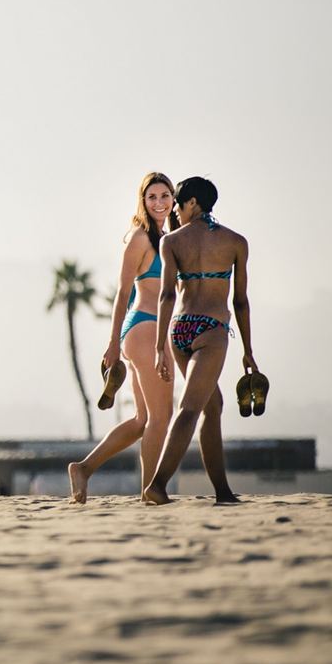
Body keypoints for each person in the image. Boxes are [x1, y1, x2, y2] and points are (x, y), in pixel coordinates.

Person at [68, 172, 179, 504]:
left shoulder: (171, 236)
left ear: (173, 199)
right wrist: (113, 342)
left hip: (153, 331)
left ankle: (83, 469)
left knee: (143, 419)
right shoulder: (140, 239)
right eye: (152, 197)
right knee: (162, 417)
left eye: (164, 196)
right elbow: (123, 293)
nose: (159, 202)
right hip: (144, 328)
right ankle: (151, 491)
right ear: (142, 201)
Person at [143, 176, 249, 505]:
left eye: (177, 202)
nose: (174, 209)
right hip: (211, 331)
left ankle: (222, 491)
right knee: (190, 409)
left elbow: (166, 297)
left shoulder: (171, 241)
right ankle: (157, 486)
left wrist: (161, 346)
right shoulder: (235, 242)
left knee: (212, 405)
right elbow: (240, 302)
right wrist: (249, 351)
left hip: (180, 330)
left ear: (192, 203)